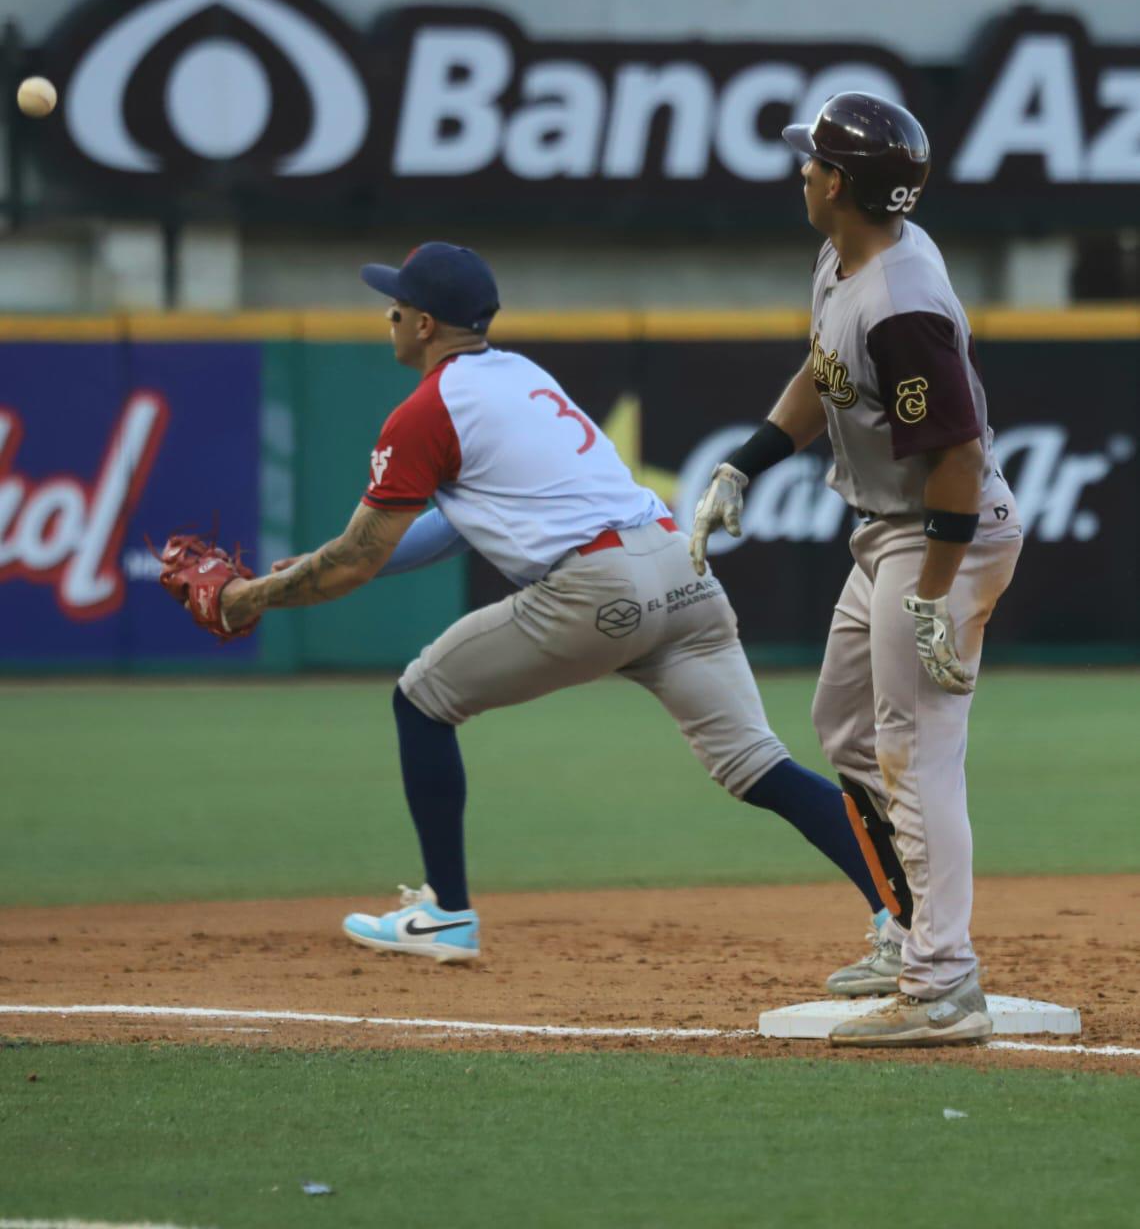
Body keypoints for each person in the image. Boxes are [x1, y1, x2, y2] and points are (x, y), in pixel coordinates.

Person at [219, 240, 891, 963]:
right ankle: (900, 917)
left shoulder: (427, 410)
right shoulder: (518, 375)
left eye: (397, 305)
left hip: (599, 588)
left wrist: (251, 597)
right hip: (680, 569)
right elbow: (446, 527)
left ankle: (446, 913)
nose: (388, 314)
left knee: (421, 698)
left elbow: (353, 558)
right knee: (760, 764)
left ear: (423, 325)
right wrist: (331, 568)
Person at [689, 94, 1023, 1047]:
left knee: (916, 757)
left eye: (812, 162)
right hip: (894, 533)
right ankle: (912, 930)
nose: (802, 172)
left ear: (838, 184)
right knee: (844, 726)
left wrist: (931, 600)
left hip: (941, 537)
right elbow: (821, 376)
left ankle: (944, 982)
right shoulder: (848, 254)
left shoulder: (902, 303)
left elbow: (955, 457)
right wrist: (742, 461)